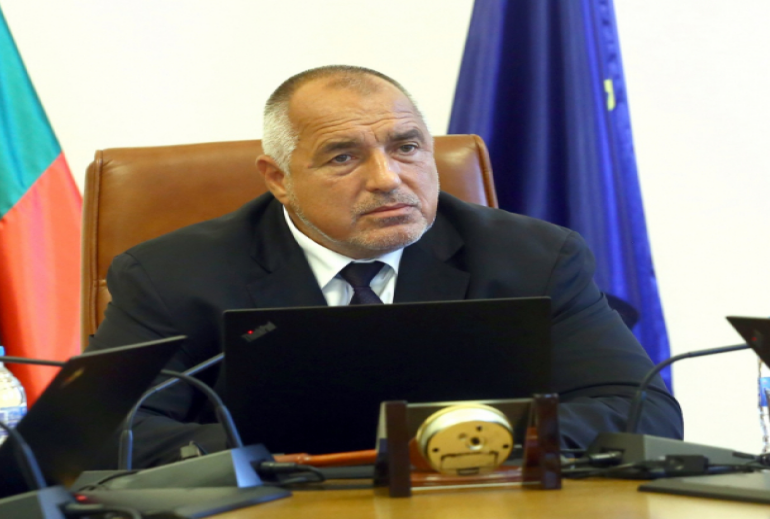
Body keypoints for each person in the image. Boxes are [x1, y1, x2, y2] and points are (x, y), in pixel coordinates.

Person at [87, 65, 682, 468]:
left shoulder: (534, 258)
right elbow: (103, 433)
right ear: (279, 179)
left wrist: (464, 440)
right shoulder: (171, 275)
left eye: (407, 147)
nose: (387, 179)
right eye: (343, 157)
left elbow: (640, 410)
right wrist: (298, 451)